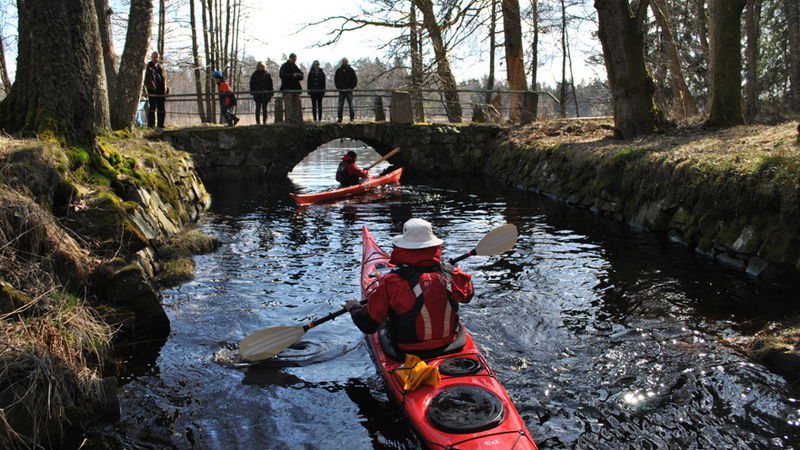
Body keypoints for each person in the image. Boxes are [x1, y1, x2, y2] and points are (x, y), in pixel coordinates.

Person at [344, 218, 474, 353]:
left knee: (384, 318)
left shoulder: (391, 282)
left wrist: (354, 308)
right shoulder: (453, 273)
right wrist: (446, 269)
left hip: (408, 349)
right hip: (451, 343)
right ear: (435, 246)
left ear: (403, 248)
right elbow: (468, 296)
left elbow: (368, 325)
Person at [144, 51, 169, 128]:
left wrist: (166, 88)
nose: (156, 59)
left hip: (161, 91)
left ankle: (160, 124)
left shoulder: (161, 67)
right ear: (152, 57)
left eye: (157, 57)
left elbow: (165, 78)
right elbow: (146, 80)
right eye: (154, 57)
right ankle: (151, 125)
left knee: (161, 108)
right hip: (152, 90)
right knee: (152, 107)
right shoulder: (148, 67)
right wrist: (149, 88)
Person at [334, 58, 358, 123]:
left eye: (346, 62)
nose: (344, 63)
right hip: (341, 91)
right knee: (340, 105)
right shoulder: (338, 71)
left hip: (349, 90)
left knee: (351, 105)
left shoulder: (351, 70)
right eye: (343, 62)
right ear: (342, 62)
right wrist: (338, 87)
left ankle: (352, 118)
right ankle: (340, 118)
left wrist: (351, 87)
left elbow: (355, 80)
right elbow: (336, 80)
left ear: (347, 62)